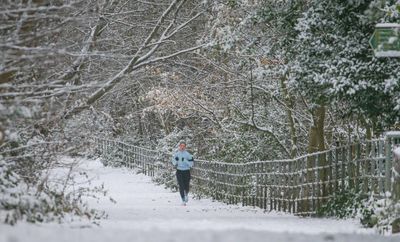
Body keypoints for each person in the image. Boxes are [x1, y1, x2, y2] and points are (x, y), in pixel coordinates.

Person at [171, 140, 194, 205]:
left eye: (183, 146)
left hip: (186, 171)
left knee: (186, 185)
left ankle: (186, 194)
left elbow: (191, 164)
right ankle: (183, 199)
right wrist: (176, 161)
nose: (182, 147)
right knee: (181, 185)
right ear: (179, 146)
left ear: (185, 147)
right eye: (181, 146)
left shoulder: (188, 155)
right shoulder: (176, 154)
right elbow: (173, 163)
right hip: (179, 171)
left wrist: (186, 161)